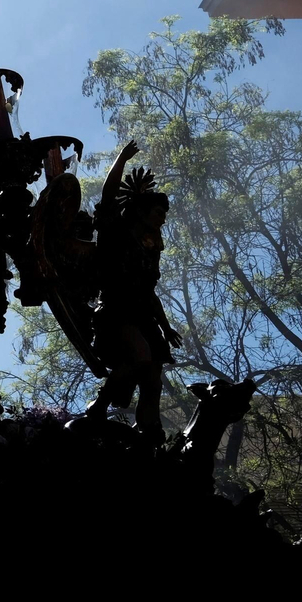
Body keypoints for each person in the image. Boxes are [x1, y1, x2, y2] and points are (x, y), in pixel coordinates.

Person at [87, 142, 182, 434]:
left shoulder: (151, 252)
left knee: (154, 375)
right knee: (139, 355)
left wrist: (166, 327)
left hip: (143, 317)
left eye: (164, 215)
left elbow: (150, 293)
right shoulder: (116, 234)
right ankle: (99, 407)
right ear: (140, 211)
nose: (162, 219)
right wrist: (121, 159)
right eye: (157, 212)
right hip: (115, 313)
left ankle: (148, 430)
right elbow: (108, 194)